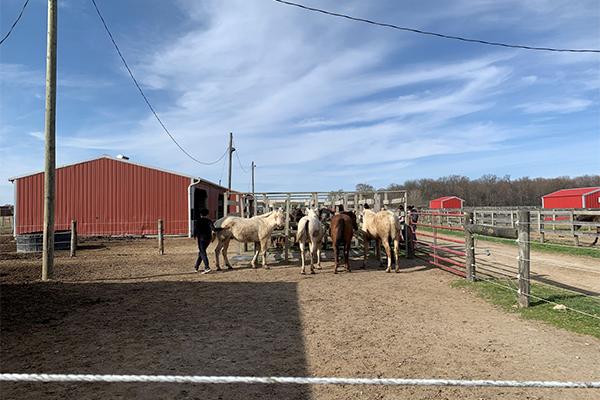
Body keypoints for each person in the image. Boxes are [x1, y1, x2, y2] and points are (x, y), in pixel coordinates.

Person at [193, 208, 214, 274]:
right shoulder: (209, 221)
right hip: (208, 238)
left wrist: (194, 236)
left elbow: (195, 229)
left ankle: (207, 267)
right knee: (201, 252)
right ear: (207, 214)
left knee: (202, 252)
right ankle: (196, 267)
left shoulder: (198, 221)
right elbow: (214, 229)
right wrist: (223, 228)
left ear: (200, 214)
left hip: (201, 238)